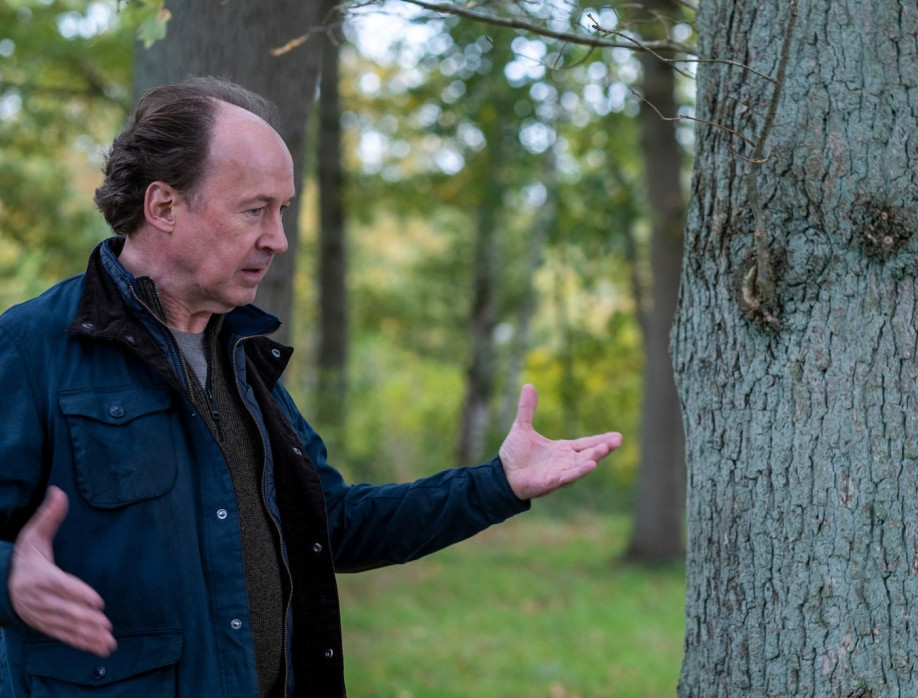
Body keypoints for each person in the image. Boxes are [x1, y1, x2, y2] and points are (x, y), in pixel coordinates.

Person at [0, 77, 622, 697]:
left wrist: (496, 484)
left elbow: (334, 524)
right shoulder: (32, 349)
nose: (278, 238)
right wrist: (11, 579)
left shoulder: (243, 359)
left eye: (283, 210)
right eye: (254, 209)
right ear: (164, 207)